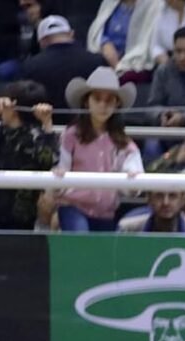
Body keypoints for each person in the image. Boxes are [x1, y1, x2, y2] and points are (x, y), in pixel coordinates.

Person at [54, 66, 143, 232]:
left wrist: (131, 178)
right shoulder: (71, 135)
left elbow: (134, 184)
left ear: (116, 104)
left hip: (106, 212)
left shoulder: (124, 142)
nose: (103, 105)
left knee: (102, 255)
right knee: (81, 243)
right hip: (73, 206)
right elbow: (62, 166)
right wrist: (58, 175)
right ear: (87, 101)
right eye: (97, 98)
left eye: (109, 100)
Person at [0, 80, 59, 230]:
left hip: (21, 213)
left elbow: (49, 160)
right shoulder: (0, 129)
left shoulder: (36, 135)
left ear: (14, 107)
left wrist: (47, 125)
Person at [20, 16, 107, 121]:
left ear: (41, 41)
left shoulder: (30, 66)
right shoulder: (97, 61)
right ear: (71, 34)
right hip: (88, 128)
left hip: (46, 127)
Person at [87, 0, 163, 82]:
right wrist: (104, 43)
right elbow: (97, 31)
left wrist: (118, 64)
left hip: (135, 61)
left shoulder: (155, 5)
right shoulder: (109, 2)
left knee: (128, 76)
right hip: (104, 56)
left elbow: (146, 43)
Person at [117, 190, 185, 232]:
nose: (165, 202)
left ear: (183, 200)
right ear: (149, 199)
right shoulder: (128, 229)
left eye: (172, 196)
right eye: (159, 195)